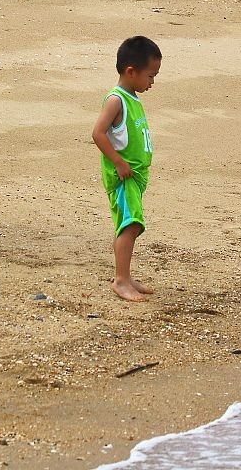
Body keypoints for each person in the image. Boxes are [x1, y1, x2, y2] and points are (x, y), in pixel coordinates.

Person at [91, 36, 161, 302]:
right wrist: (119, 162)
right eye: (150, 76)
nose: (152, 82)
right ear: (131, 71)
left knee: (128, 225)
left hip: (135, 176)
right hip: (123, 176)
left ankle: (125, 275)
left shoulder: (131, 97)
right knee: (130, 225)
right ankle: (120, 280)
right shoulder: (115, 100)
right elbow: (98, 133)